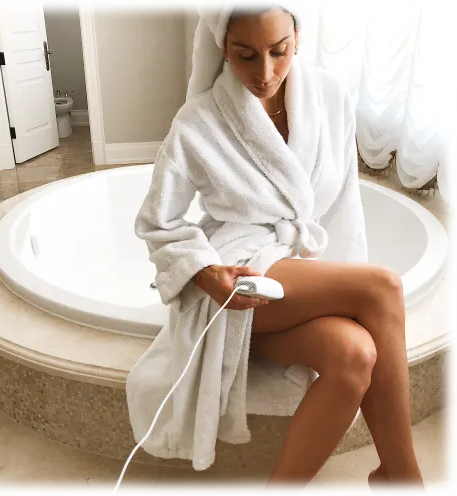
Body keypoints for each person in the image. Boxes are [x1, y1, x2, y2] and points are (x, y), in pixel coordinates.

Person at [127, 1, 427, 495]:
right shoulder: (198, 121)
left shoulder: (330, 97)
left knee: (354, 354)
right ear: (224, 47)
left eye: (279, 51)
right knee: (382, 287)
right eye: (245, 55)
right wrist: (204, 273)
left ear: (297, 39)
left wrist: (337, 289)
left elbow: (343, 207)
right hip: (238, 276)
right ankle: (405, 483)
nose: (264, 73)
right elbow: (157, 222)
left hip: (296, 276)